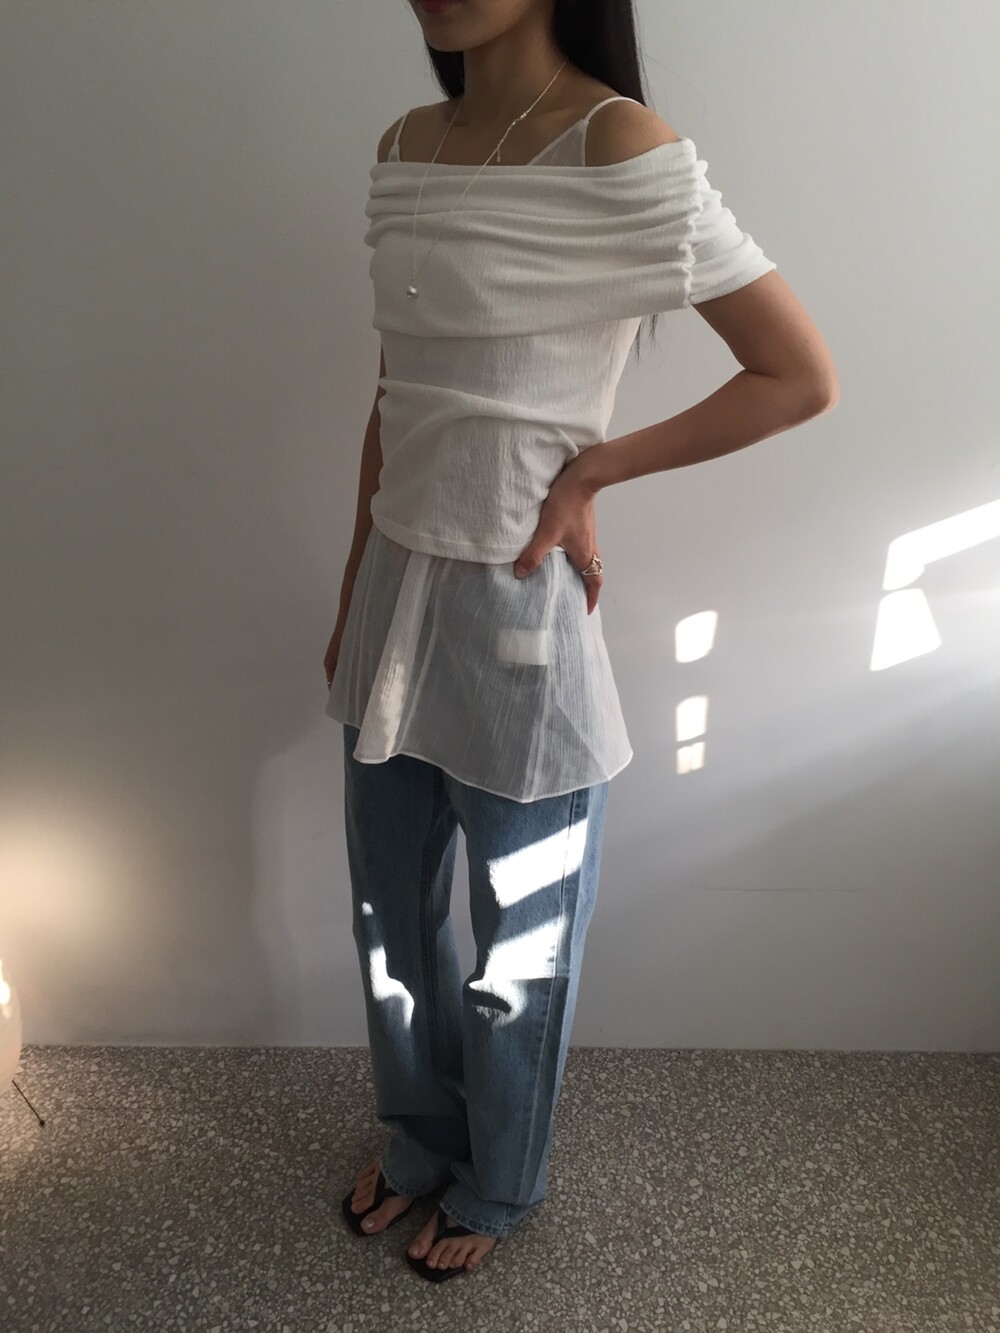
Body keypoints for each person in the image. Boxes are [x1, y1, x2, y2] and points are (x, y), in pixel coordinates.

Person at [327, 0, 839, 1283]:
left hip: (516, 603)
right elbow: (397, 396)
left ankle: (500, 1181)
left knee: (522, 944)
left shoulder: (617, 145)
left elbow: (796, 374)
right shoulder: (405, 143)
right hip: (393, 593)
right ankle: (418, 1138)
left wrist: (594, 468)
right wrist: (348, 596)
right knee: (391, 922)